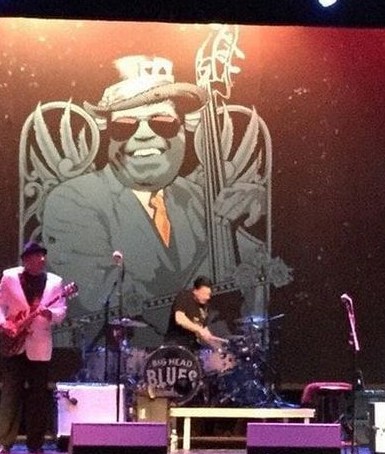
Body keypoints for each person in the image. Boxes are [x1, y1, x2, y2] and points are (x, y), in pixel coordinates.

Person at [40, 57, 281, 347]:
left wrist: (260, 218)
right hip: (121, 357)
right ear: (107, 136)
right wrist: (197, 312)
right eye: (126, 125)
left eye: (162, 122)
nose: (144, 134)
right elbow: (95, 296)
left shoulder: (197, 198)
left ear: (182, 131)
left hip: (196, 363)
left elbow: (262, 275)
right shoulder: (73, 200)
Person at [0, 239, 68, 454]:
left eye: (43, 255)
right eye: (37, 255)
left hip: (40, 345)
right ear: (26, 259)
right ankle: (5, 442)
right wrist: (2, 323)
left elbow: (62, 310)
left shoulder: (54, 281)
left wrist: (50, 314)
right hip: (15, 342)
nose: (42, 259)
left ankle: (35, 443)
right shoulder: (10, 277)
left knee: (38, 396)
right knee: (10, 393)